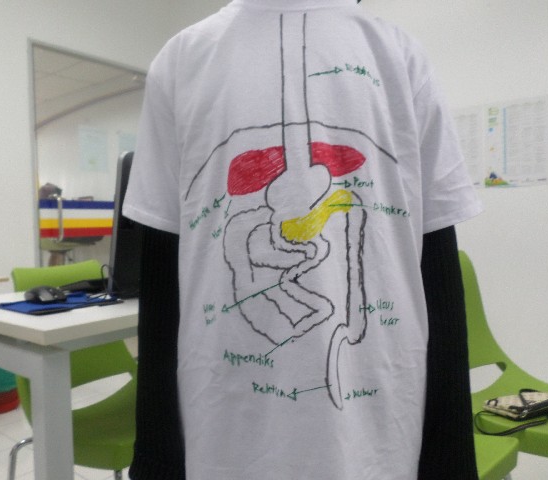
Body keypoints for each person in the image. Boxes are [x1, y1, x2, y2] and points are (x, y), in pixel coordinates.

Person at [123, 0, 483, 478]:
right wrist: (155, 457)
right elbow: (161, 278)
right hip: (224, 438)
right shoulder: (182, 60)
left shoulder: (399, 55)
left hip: (376, 441)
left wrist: (451, 459)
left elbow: (437, 269)